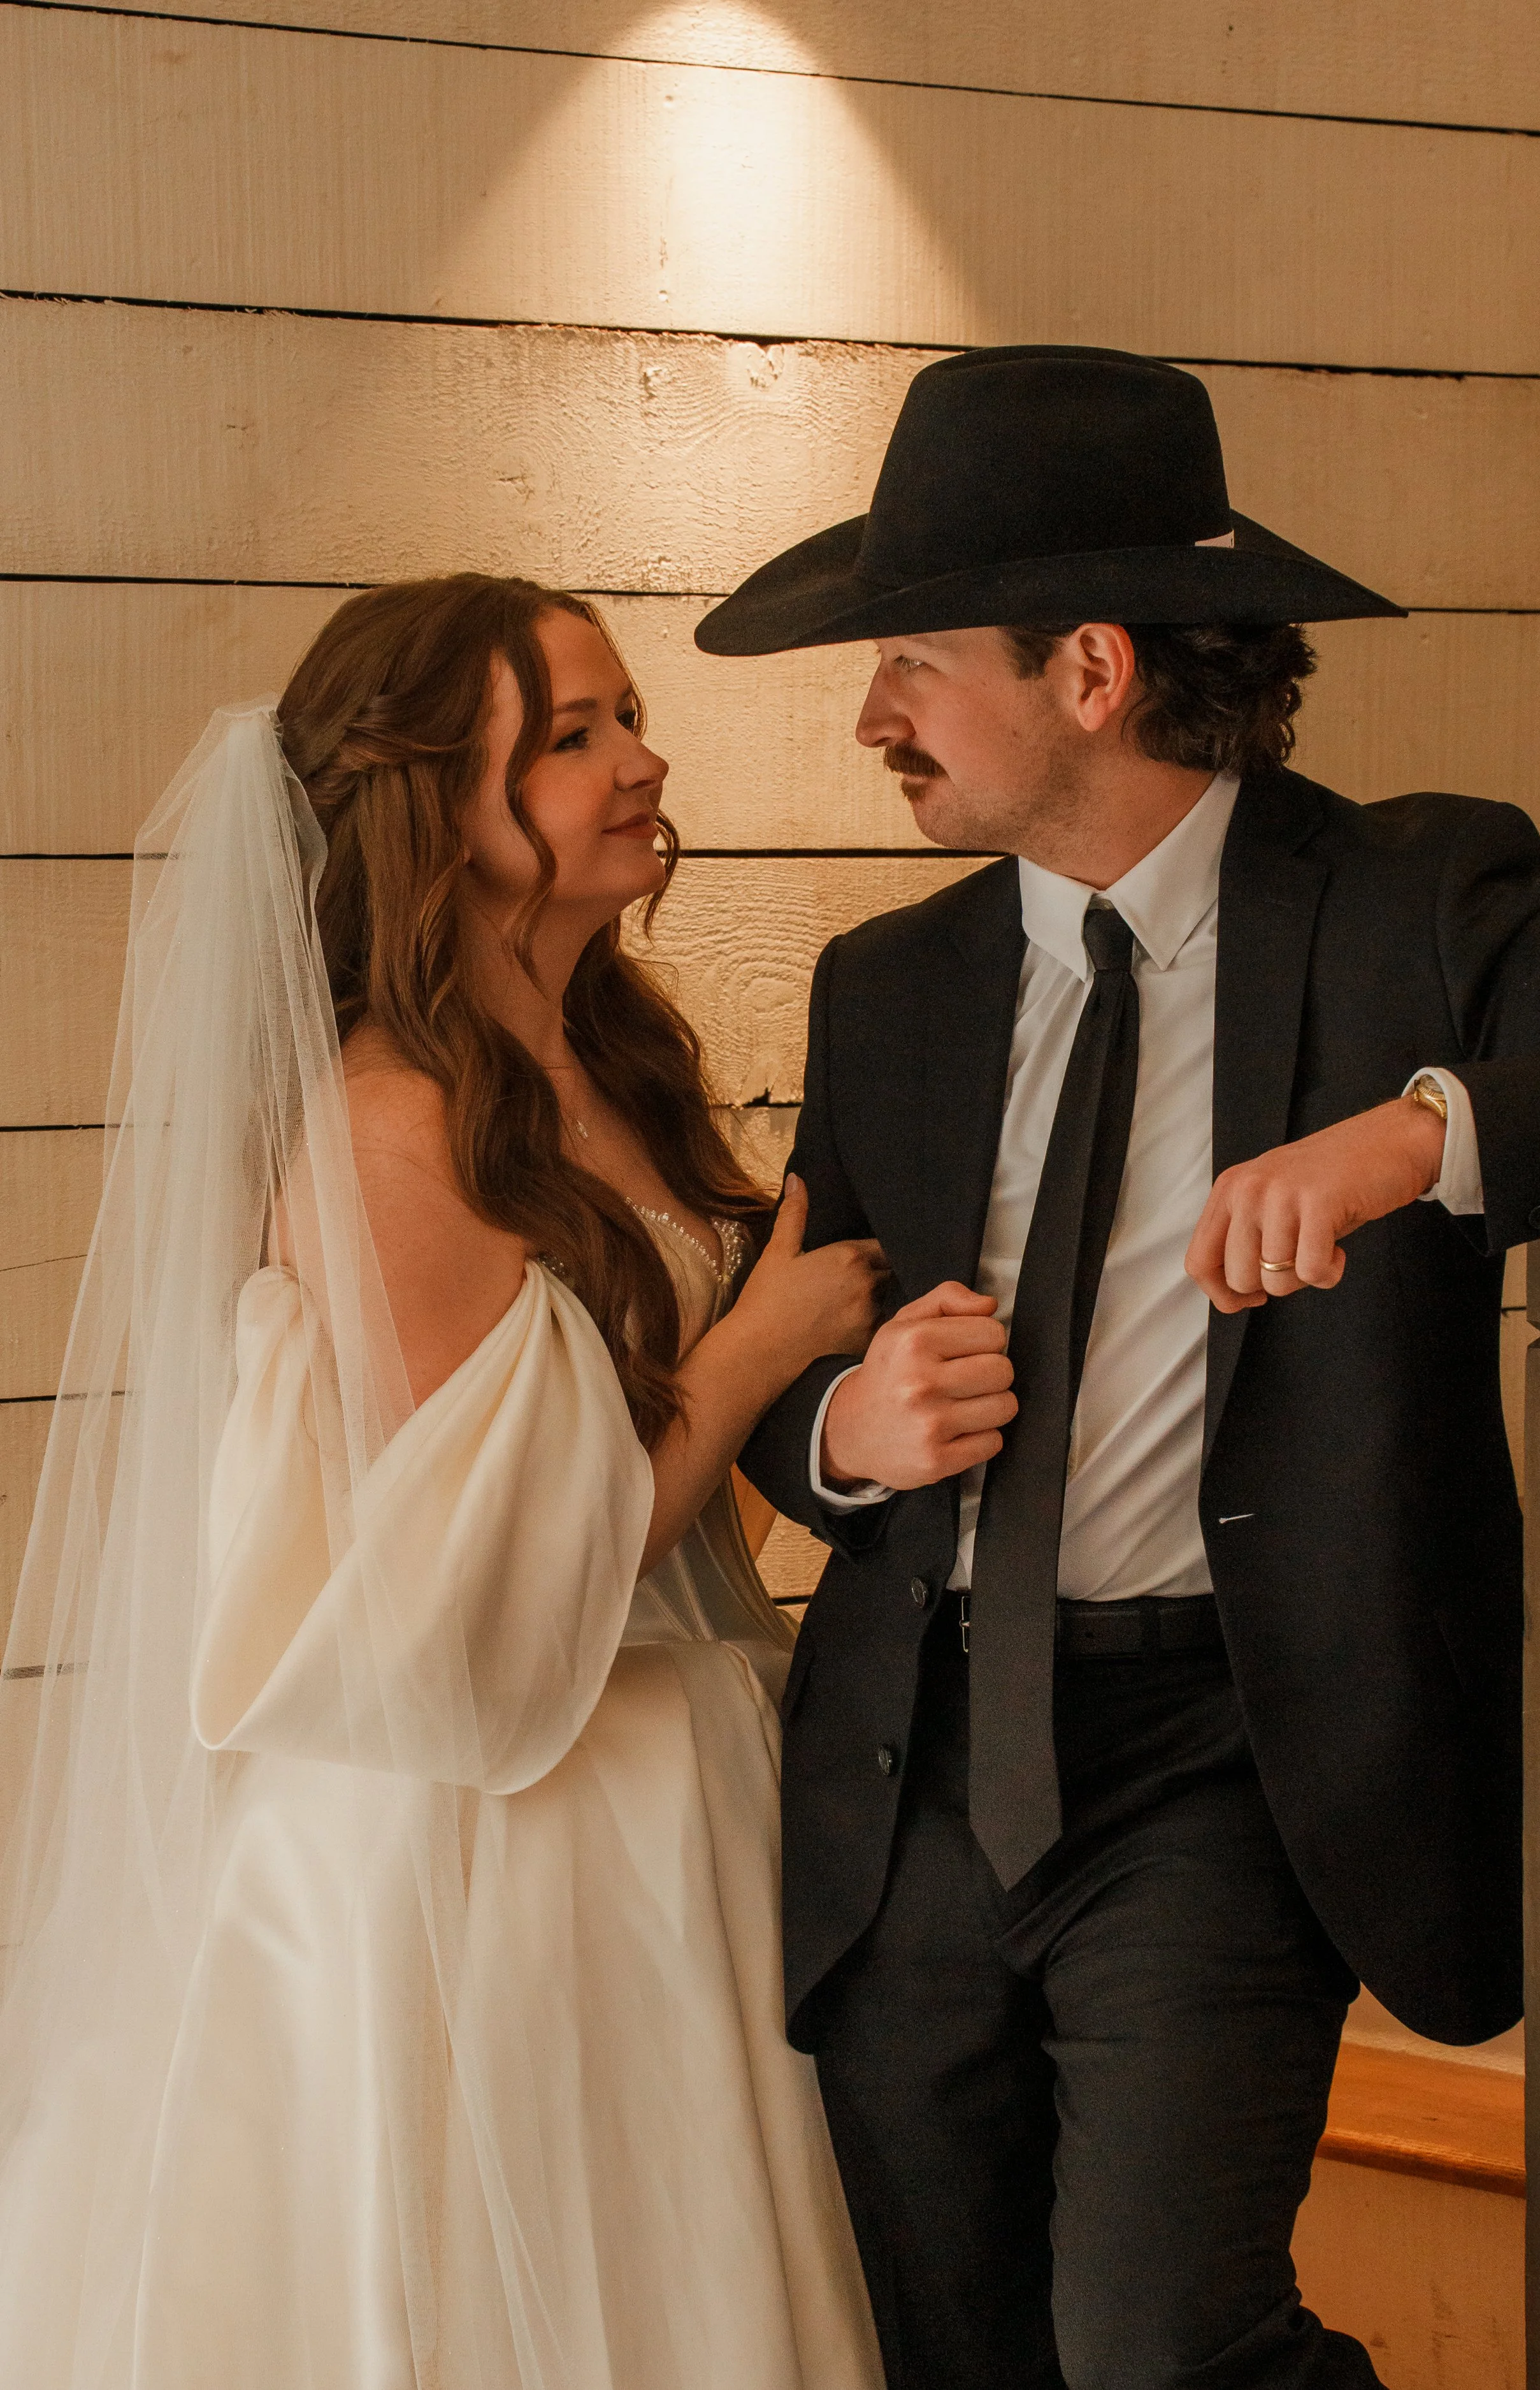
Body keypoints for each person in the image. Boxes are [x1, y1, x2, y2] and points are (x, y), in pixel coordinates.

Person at [697, 345, 1540, 2389]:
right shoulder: (888, 988)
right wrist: (836, 1431)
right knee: (952, 2347)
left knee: (1157, 2348)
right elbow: (781, 1346)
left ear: (1087, 670)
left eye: (913, 657)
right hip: (913, 1765)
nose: (871, 718)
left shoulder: (1404, 901)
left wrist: (1407, 1137)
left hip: (1224, 1758)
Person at [0, 574, 888, 2390]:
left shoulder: (617, 1056)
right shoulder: (386, 1126)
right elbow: (481, 1591)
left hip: (684, 1768)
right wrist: (758, 1345)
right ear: (434, 805)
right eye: (573, 736)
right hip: (490, 1830)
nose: (642, 762)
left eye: (626, 715)